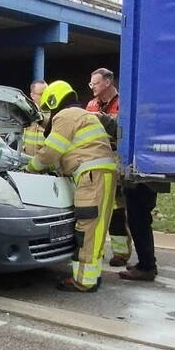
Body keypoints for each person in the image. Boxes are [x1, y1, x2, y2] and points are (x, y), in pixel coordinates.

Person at [25, 80, 117, 292]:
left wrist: (30, 167)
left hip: (91, 176)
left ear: (54, 100)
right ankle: (92, 276)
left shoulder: (66, 116)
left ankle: (83, 281)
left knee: (86, 228)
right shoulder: (83, 114)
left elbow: (51, 151)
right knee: (97, 227)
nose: (50, 114)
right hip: (102, 174)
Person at [86, 67, 131, 268]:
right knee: (95, 210)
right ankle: (98, 249)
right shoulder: (91, 105)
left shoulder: (123, 103)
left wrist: (103, 121)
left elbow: (122, 131)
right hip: (96, 162)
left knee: (117, 212)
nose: (92, 87)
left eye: (95, 83)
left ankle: (121, 253)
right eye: (90, 84)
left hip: (117, 165)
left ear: (107, 82)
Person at [21, 79, 48, 156]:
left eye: (48, 93)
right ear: (32, 95)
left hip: (46, 164)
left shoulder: (55, 114)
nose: (46, 96)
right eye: (42, 94)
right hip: (27, 162)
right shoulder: (25, 113)